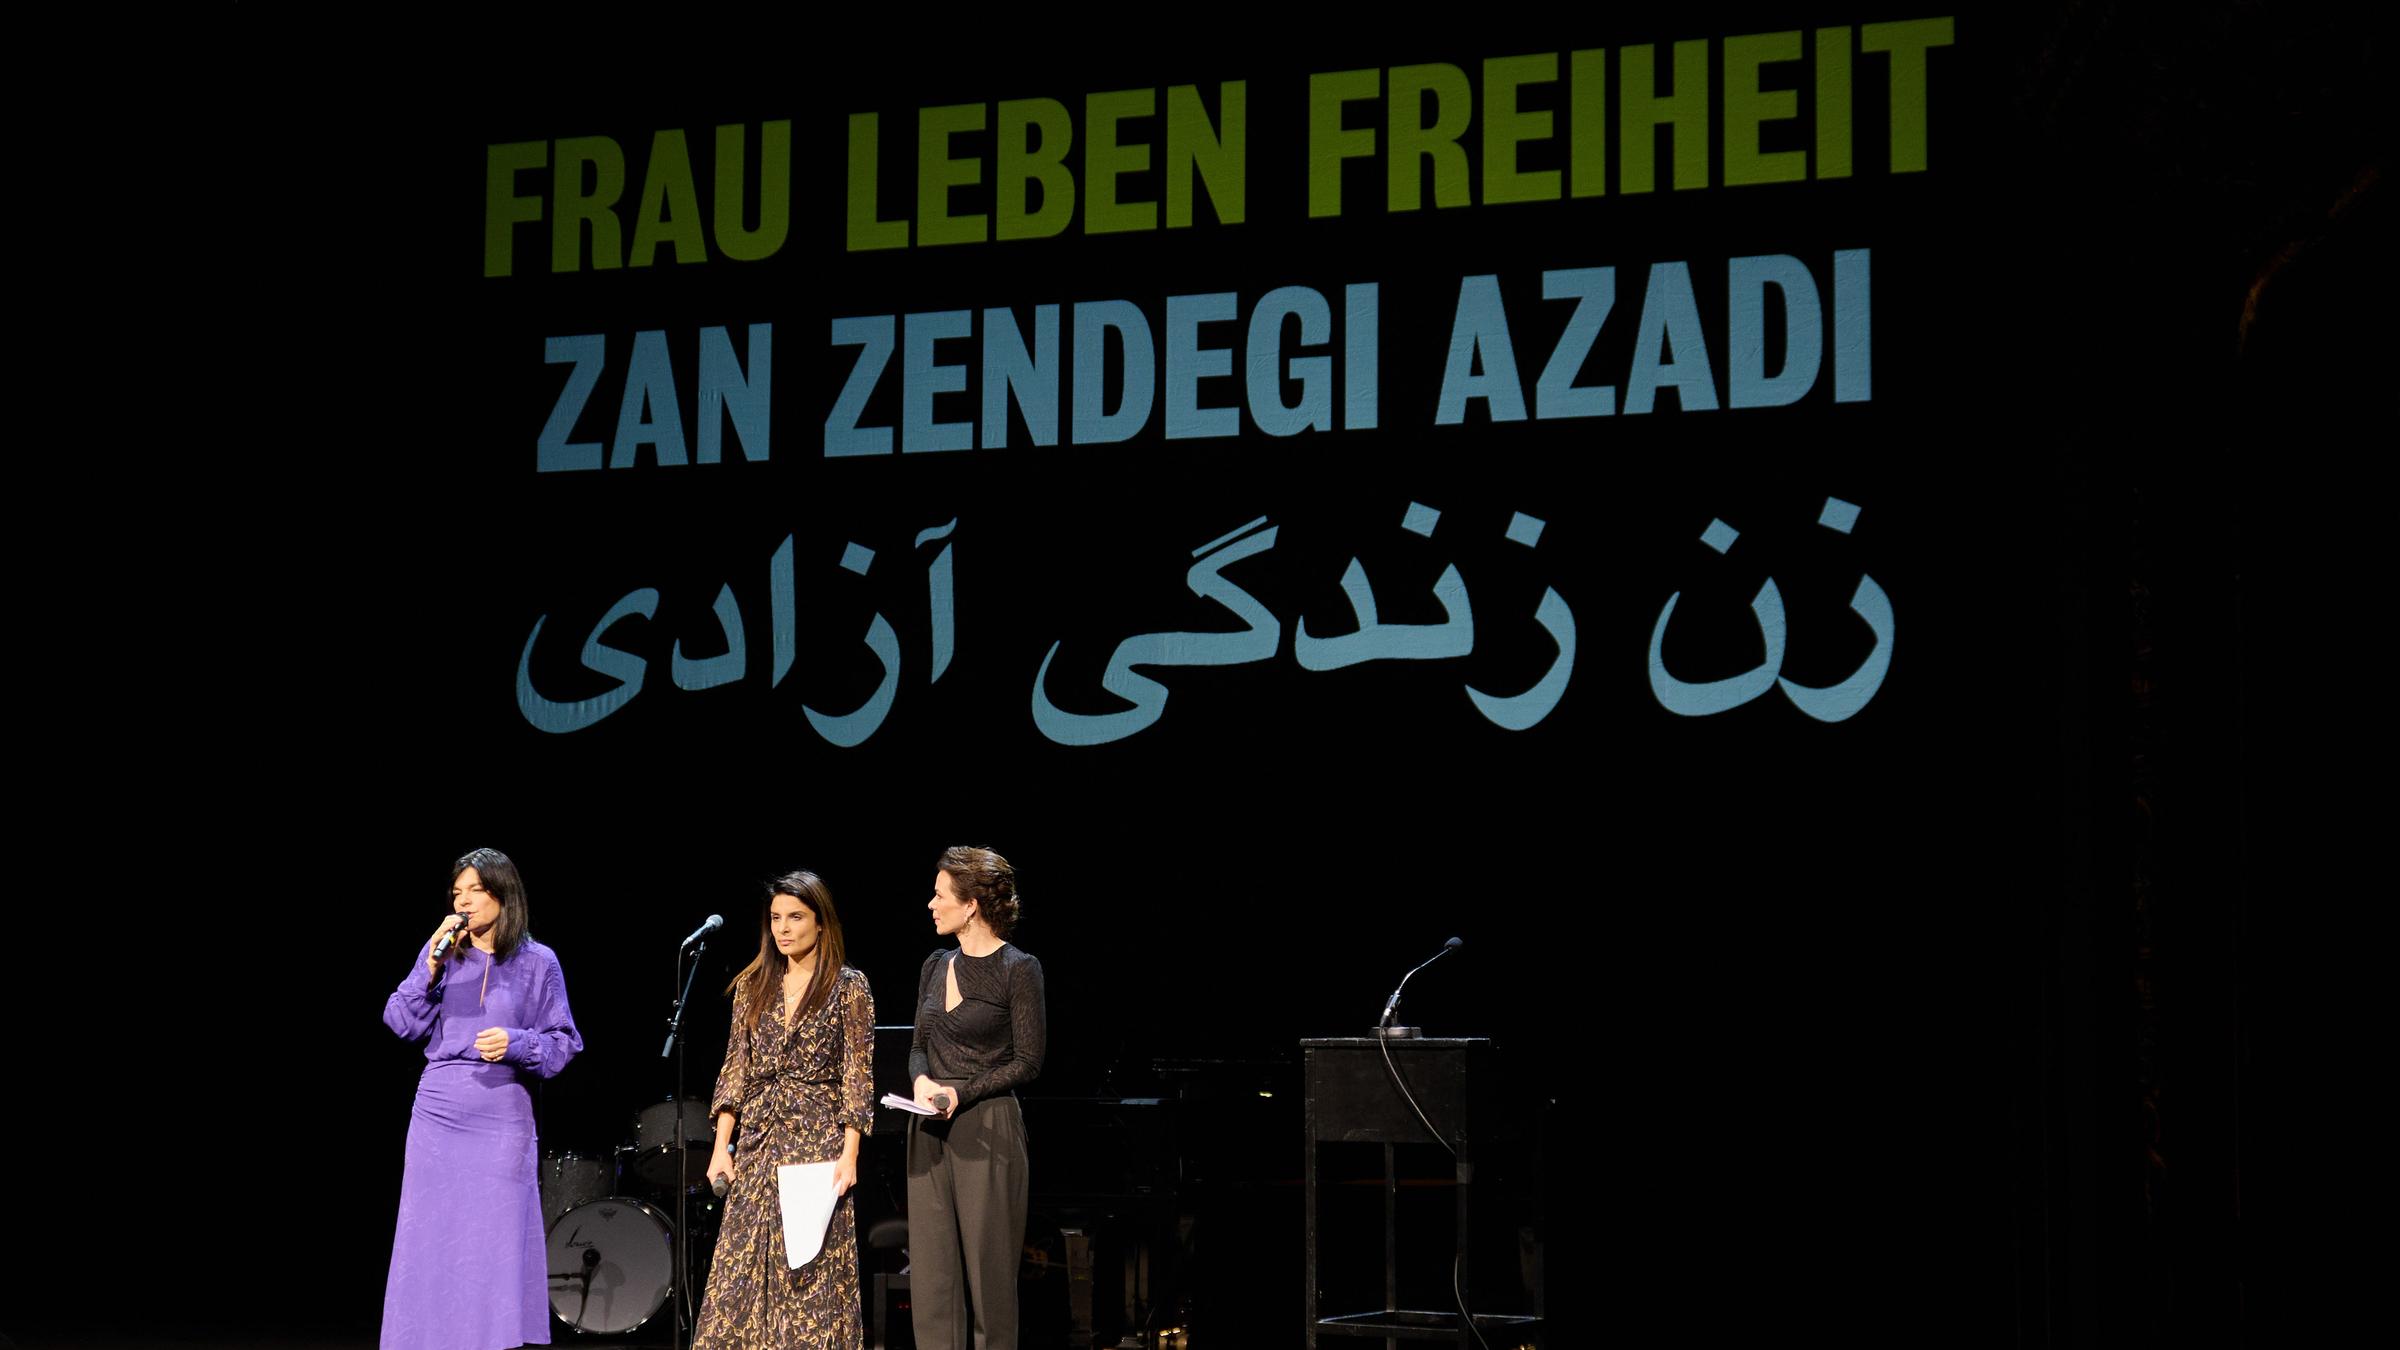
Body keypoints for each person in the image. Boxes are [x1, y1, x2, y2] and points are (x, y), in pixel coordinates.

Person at [381, 848, 583, 1350]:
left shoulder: (539, 961)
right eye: (457, 892)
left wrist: (517, 1042)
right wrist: (429, 966)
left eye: (475, 890)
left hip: (500, 1117)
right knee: (429, 1239)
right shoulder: (445, 952)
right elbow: (399, 1021)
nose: (464, 900)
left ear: (502, 894)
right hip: (438, 1111)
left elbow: (563, 1044)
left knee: (491, 1245)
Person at [694, 872, 875, 1349]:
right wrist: (721, 1148)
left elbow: (858, 1073)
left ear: (821, 922)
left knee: (809, 1275)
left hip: (817, 1143)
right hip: (757, 1142)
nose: (783, 928)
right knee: (739, 1270)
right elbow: (735, 1070)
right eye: (776, 918)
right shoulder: (754, 984)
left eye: (795, 917)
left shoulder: (847, 986)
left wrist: (850, 1152)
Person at [907, 845, 1047, 1350]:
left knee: (990, 1282)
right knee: (932, 1282)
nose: (931, 903)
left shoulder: (1018, 968)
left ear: (971, 905)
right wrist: (922, 1084)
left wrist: (959, 1094)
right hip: (926, 1128)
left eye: (940, 894)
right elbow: (918, 1044)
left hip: (987, 1129)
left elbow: (1028, 1061)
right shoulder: (934, 964)